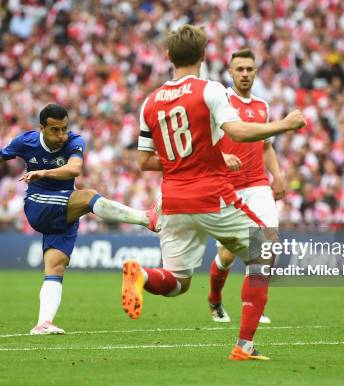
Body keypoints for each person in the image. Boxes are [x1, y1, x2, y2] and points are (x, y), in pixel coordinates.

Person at [121, 25, 305, 361]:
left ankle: (143, 275)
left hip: (173, 199)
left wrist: (183, 161)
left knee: (177, 281)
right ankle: (244, 346)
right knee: (263, 253)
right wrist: (285, 125)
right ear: (203, 57)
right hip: (212, 194)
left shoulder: (149, 102)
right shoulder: (210, 90)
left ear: (167, 57)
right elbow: (238, 130)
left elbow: (145, 161)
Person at [0, 103, 159, 334]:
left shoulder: (75, 141)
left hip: (64, 211)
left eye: (64, 128)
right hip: (39, 204)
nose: (61, 135)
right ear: (42, 128)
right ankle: (146, 218)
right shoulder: (26, 141)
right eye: (55, 130)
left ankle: (43, 323)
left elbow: (74, 169)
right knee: (88, 197)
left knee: (56, 266)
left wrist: (43, 172)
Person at [207, 48, 285, 324]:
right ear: (230, 72)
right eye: (239, 69)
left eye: (249, 69)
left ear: (255, 71)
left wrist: (278, 174)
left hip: (258, 185)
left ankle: (254, 304)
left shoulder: (263, 106)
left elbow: (266, 146)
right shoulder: (220, 100)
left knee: (268, 244)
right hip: (226, 188)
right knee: (227, 256)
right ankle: (214, 299)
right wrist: (221, 156)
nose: (245, 74)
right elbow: (203, 141)